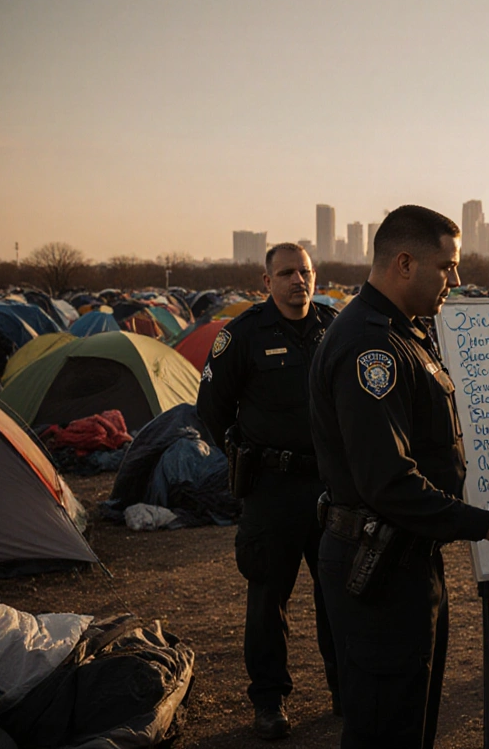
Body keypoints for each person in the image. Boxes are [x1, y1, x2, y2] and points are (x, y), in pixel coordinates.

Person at [308, 205, 489, 748]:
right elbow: (387, 480)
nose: (456, 280)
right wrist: (483, 524)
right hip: (380, 565)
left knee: (409, 720)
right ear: (406, 263)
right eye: (447, 266)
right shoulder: (372, 346)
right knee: (385, 729)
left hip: (404, 557)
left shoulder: (402, 333)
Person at [195, 243, 338, 740]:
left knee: (339, 593)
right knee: (267, 600)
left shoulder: (333, 328)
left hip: (330, 485)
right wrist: (241, 450)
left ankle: (347, 691)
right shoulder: (242, 335)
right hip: (272, 489)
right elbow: (211, 407)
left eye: (306, 272)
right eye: (287, 273)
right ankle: (269, 701)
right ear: (266, 281)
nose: (298, 280)